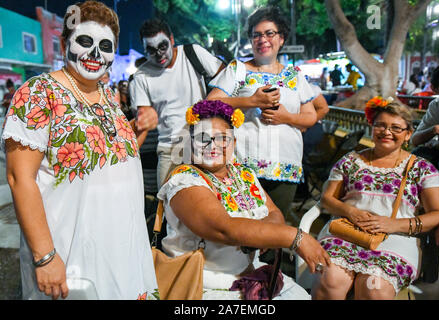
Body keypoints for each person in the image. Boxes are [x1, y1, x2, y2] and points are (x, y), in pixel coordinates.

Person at [2, 1, 158, 300]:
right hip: (71, 256)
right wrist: (45, 256)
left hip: (122, 252)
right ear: (64, 44)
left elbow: (110, 157)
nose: (95, 54)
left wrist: (140, 130)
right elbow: (19, 179)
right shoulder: (37, 93)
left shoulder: (107, 95)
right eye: (85, 42)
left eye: (105, 45)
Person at [157, 99, 331, 300]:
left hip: (253, 275)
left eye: (222, 138)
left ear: (234, 143)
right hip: (203, 286)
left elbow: (274, 213)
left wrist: (260, 234)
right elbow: (224, 228)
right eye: (202, 138)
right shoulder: (185, 181)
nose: (212, 145)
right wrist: (294, 237)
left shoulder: (243, 175)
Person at [312, 99, 439, 300]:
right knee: (330, 280)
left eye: (396, 128)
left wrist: (393, 224)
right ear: (372, 127)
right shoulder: (350, 161)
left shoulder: (422, 169)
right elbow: (327, 199)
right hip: (346, 232)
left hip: (397, 238)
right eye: (381, 126)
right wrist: (351, 212)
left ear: (408, 134)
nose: (387, 132)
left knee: (374, 288)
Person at [207, 6, 317, 219]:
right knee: (242, 225)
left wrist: (287, 117)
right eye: (256, 35)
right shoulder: (238, 70)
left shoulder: (294, 75)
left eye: (269, 33)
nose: (262, 39)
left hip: (285, 166)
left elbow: (311, 116)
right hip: (242, 164)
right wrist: (250, 101)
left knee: (276, 226)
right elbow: (210, 104)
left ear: (281, 38)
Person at [129, 18, 225, 189]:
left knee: (210, 203)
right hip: (169, 150)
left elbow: (226, 77)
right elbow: (143, 124)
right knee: (167, 207)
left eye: (162, 46)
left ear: (172, 40)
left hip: (204, 144)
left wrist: (211, 106)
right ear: (143, 50)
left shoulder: (192, 53)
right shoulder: (141, 77)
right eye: (151, 50)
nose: (159, 54)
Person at [411, 62, 439, 188]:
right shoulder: (437, 106)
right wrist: (435, 129)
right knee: (420, 155)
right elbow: (415, 140)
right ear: (434, 89)